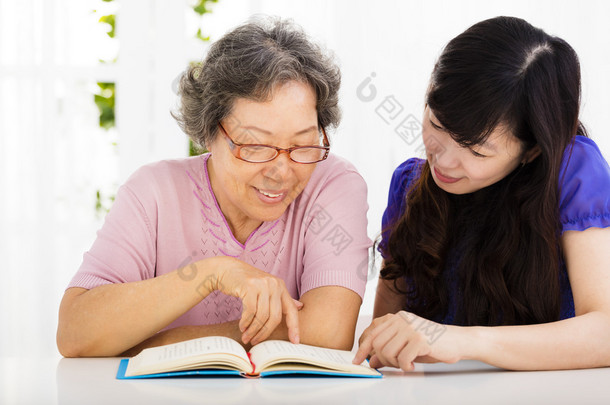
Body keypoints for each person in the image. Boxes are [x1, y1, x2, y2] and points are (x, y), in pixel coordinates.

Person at [57, 17, 371, 357]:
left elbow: (328, 331)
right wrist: (216, 272)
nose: (282, 171)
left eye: (303, 144)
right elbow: (76, 332)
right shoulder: (154, 193)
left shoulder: (333, 184)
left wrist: (154, 343)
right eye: (256, 146)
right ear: (208, 133)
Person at [354, 16, 610, 371]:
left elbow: (604, 332)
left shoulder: (572, 173)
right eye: (437, 124)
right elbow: (381, 341)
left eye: (476, 151)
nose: (442, 159)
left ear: (532, 150)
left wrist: (462, 341)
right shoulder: (410, 187)